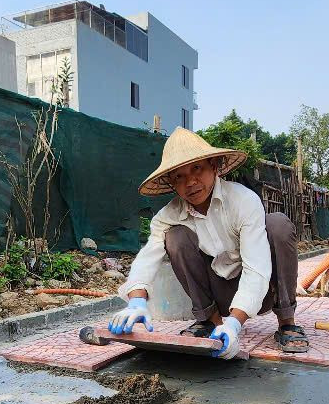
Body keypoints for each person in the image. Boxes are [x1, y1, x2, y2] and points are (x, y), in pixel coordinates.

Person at [109, 127, 307, 359]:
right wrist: (137, 301)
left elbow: (257, 268)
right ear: (172, 183)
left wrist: (234, 324)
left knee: (278, 224)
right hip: (217, 294)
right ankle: (210, 322)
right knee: (175, 236)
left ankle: (287, 322)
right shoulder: (169, 215)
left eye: (197, 169)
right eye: (179, 176)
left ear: (213, 166)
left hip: (263, 292)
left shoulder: (243, 200)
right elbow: (148, 256)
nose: (190, 182)